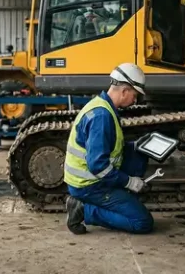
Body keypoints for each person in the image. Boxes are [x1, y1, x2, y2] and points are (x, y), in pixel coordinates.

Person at [64, 63, 153, 235]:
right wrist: (130, 182)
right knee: (142, 222)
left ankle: (122, 199)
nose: (134, 101)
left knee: (137, 153)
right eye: (134, 95)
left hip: (88, 179)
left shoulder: (102, 105)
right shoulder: (102, 116)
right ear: (124, 91)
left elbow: (108, 147)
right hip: (89, 184)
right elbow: (98, 166)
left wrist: (135, 146)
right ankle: (84, 208)